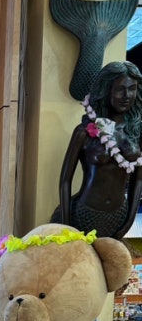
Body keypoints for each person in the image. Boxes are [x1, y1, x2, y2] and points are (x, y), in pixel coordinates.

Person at [52, 61, 142, 238]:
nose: (126, 95)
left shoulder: (137, 132)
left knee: (111, 256)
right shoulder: (84, 132)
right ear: (107, 90)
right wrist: (66, 222)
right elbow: (65, 181)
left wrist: (129, 221)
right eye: (120, 89)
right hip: (83, 213)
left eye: (132, 89)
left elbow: (138, 181)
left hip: (119, 216)